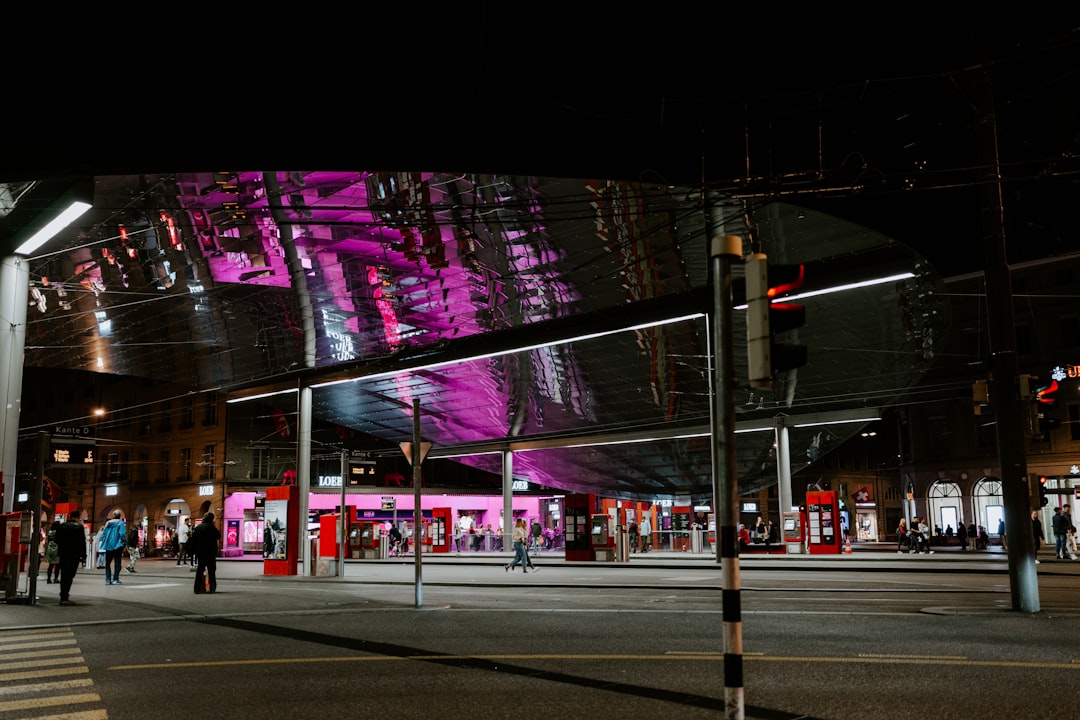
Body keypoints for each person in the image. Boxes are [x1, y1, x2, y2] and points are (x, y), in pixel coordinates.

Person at [55, 510, 87, 605]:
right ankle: (65, 597)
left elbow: (56, 540)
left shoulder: (62, 526)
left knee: (64, 575)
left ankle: (63, 596)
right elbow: (82, 542)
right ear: (77, 517)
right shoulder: (79, 527)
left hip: (63, 554)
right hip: (74, 555)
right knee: (70, 576)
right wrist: (83, 556)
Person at [189, 512, 222, 593]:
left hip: (200, 552)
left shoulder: (198, 527)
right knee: (211, 571)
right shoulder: (211, 527)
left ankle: (197, 588)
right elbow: (218, 536)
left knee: (200, 570)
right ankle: (212, 588)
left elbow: (193, 540)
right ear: (212, 519)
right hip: (210, 552)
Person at [99, 510, 127, 585]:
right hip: (117, 545)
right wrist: (124, 543)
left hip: (108, 545)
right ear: (120, 515)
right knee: (117, 563)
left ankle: (108, 580)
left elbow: (103, 534)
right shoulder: (121, 523)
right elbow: (122, 534)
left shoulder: (108, 523)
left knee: (107, 563)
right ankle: (115, 579)